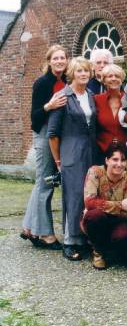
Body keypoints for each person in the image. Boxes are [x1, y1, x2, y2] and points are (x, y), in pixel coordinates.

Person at [47, 57, 98, 261]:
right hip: (71, 153)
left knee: (89, 195)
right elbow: (52, 133)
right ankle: (70, 241)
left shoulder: (91, 95)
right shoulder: (62, 96)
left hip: (91, 151)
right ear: (72, 74)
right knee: (74, 196)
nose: (83, 74)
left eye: (86, 71)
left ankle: (84, 238)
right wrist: (58, 161)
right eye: (79, 71)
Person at [21, 44, 69, 249]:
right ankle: (45, 234)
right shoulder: (42, 83)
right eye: (55, 58)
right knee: (46, 182)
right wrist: (49, 106)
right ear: (49, 62)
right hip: (43, 134)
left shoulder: (67, 81)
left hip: (60, 135)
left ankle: (29, 228)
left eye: (63, 58)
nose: (59, 61)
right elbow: (34, 116)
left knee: (43, 181)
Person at [81, 142, 127, 270]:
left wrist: (100, 205)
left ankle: (111, 250)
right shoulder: (95, 172)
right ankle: (98, 252)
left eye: (123, 160)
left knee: (124, 235)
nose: (119, 164)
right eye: (115, 159)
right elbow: (89, 202)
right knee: (94, 215)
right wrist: (120, 205)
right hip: (99, 218)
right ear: (107, 160)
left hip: (118, 222)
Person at [94, 64, 127, 157]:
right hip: (102, 151)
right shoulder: (96, 100)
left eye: (117, 76)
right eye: (110, 76)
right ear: (104, 80)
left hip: (125, 151)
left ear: (122, 79)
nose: (114, 79)